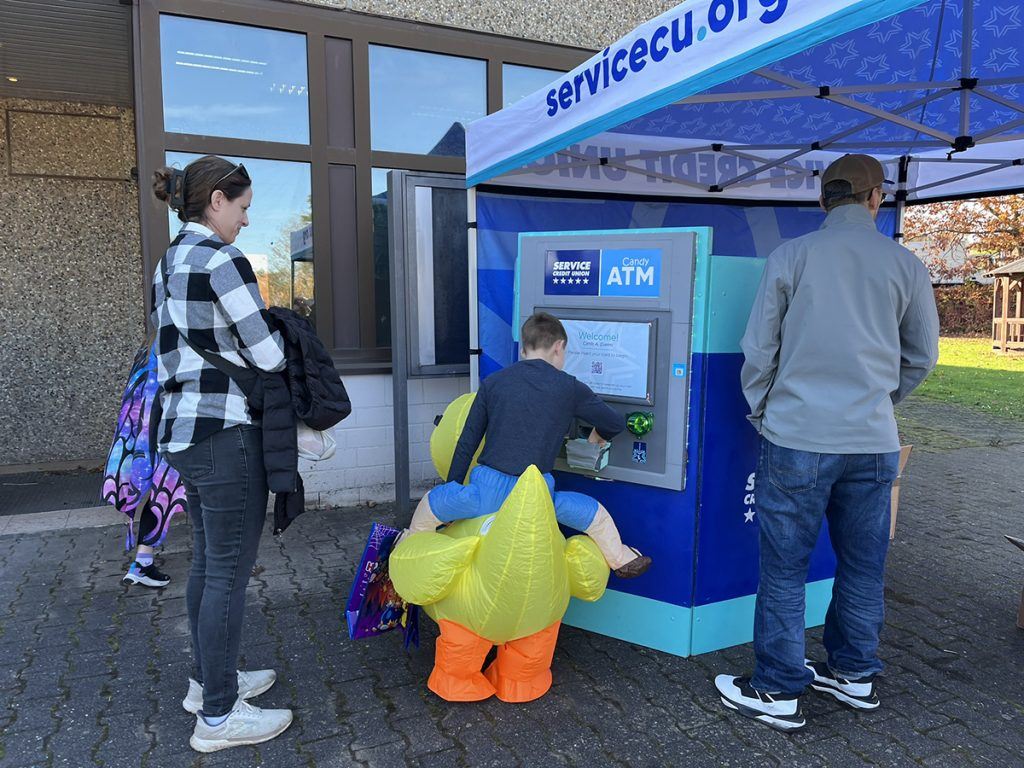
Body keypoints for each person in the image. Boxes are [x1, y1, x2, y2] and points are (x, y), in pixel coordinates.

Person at [715, 154, 939, 731]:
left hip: (798, 435)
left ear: (823, 200)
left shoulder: (792, 256)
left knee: (785, 568)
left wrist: (764, 411)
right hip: (872, 439)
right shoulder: (906, 263)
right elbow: (923, 357)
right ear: (876, 198)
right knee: (865, 563)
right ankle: (854, 673)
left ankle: (777, 688)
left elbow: (758, 348)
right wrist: (880, 403)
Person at [151, 155, 293, 753]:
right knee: (228, 576)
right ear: (215, 202)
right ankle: (217, 716)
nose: (246, 220)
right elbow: (266, 355)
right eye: (243, 207)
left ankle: (209, 681)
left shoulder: (169, 261)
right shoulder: (220, 259)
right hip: (226, 432)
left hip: (185, 432)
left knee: (209, 564)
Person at [406, 312, 651, 578]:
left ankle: (408, 549)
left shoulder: (494, 383)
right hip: (536, 494)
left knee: (431, 505)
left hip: (486, 491)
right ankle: (621, 559)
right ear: (559, 347)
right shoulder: (569, 387)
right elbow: (614, 423)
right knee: (594, 516)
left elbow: (467, 441)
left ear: (523, 349)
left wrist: (453, 488)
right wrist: (596, 437)